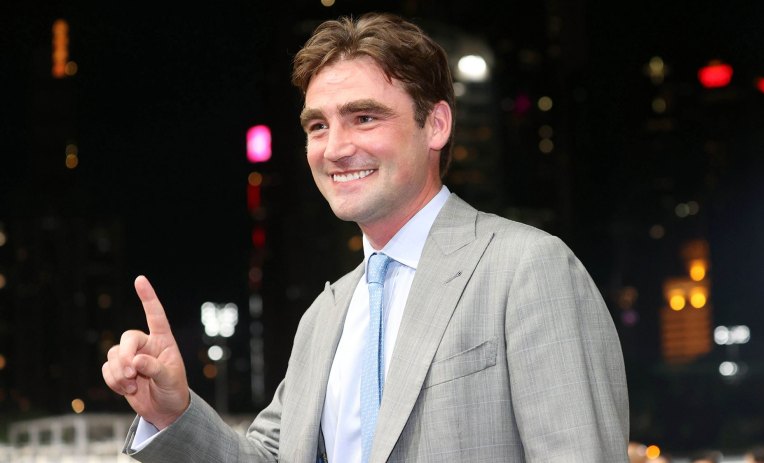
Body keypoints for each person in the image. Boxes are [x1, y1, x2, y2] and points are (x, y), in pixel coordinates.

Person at [102, 12, 629, 462]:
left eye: (364, 117)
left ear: (436, 125)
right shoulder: (323, 318)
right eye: (318, 126)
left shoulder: (529, 268)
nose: (335, 148)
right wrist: (174, 413)